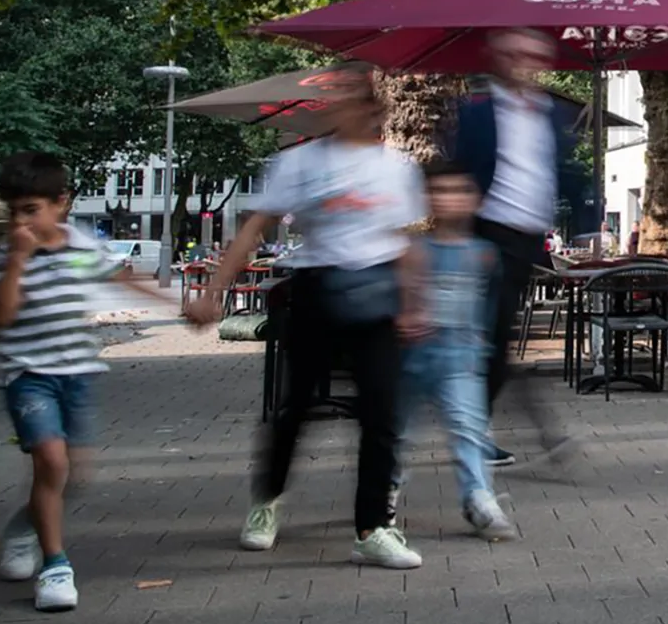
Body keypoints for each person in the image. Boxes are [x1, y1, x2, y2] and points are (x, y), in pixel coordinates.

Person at [191, 65, 426, 569]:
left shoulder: (395, 168)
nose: (336, 105)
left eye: (347, 97)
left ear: (369, 108)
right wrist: (215, 290)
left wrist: (412, 305)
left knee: (381, 414)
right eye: (333, 97)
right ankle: (266, 501)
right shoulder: (302, 163)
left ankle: (371, 527)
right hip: (318, 288)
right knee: (295, 407)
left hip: (377, 294)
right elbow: (257, 224)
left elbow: (404, 241)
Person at [0, 152, 154, 611]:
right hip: (27, 374)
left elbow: (119, 276)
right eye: (14, 211)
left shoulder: (81, 247)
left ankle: (23, 529)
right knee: (51, 463)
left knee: (72, 477)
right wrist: (17, 261)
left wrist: (183, 301)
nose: (21, 221)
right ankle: (55, 567)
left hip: (76, 373)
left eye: (31, 209)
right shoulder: (3, 258)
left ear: (62, 203)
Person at [445, 28, 582, 468]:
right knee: (495, 337)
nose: (528, 62)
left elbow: (564, 175)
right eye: (518, 54)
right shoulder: (477, 114)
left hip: (528, 242)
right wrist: (466, 235)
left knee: (496, 337)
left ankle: (477, 426)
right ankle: (514, 432)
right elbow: (457, 174)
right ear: (498, 60)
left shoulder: (551, 114)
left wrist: (583, 219)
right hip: (488, 237)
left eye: (536, 55)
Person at [392, 161, 517, 540]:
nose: (448, 200)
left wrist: (482, 341)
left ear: (474, 200)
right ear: (427, 200)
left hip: (461, 358)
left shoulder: (483, 253)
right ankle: (385, 491)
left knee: (468, 428)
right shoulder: (414, 250)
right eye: (439, 192)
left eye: (458, 191)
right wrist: (404, 316)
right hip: (413, 358)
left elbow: (491, 300)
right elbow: (400, 296)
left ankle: (478, 496)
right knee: (396, 432)